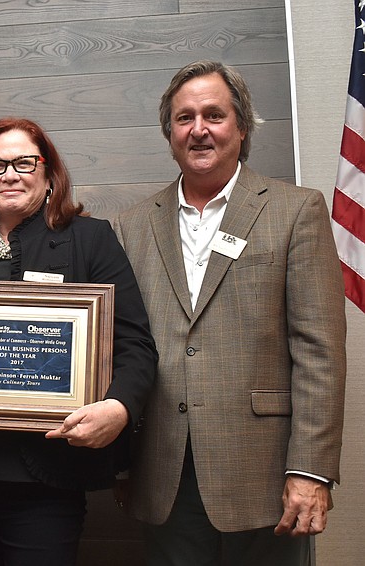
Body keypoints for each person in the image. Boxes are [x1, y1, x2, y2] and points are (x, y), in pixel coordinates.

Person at [111, 60, 347, 565]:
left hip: (266, 475)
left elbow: (320, 351)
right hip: (163, 474)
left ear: (241, 127)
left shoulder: (295, 210)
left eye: (214, 115)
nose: (199, 129)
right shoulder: (130, 226)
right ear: (168, 132)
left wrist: (310, 469)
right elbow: (121, 345)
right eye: (184, 118)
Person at [0, 117, 158, 565]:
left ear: (48, 173)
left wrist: (119, 408)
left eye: (24, 162)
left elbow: (136, 344)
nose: (10, 174)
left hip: (48, 474)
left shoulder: (90, 239)